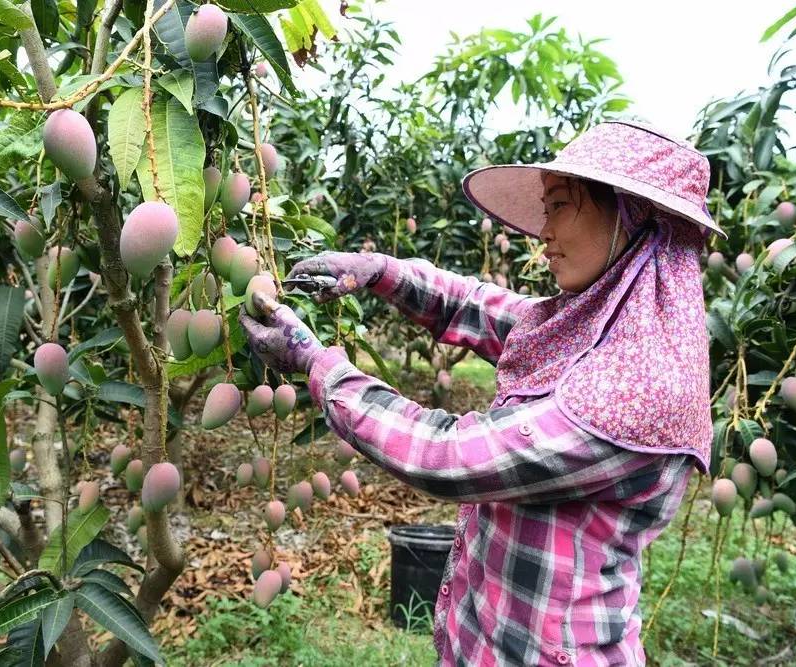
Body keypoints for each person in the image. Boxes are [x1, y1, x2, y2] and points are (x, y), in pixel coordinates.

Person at [239, 120, 723, 666]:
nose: (543, 233)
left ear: (633, 217)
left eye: (560, 206)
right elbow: (476, 307)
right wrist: (380, 273)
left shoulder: (637, 392)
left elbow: (444, 457)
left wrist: (316, 363)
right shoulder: (599, 332)